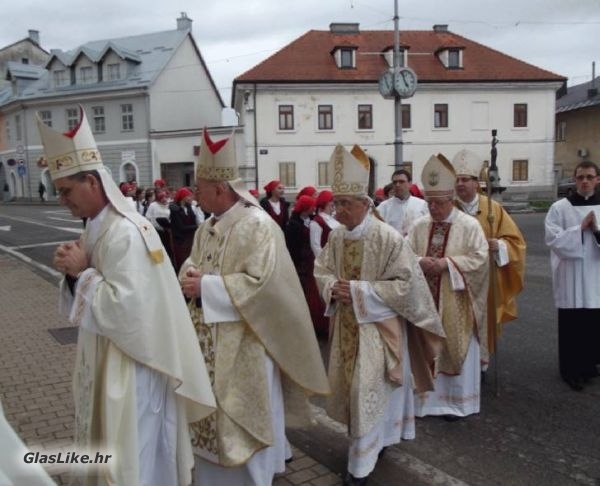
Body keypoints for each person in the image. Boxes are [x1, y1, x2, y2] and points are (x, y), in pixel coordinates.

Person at [37, 106, 215, 485]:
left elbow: (131, 311)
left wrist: (80, 273)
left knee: (134, 461)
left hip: (132, 365)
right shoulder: (97, 228)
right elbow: (92, 298)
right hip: (107, 355)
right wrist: (72, 276)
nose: (62, 200)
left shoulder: (126, 233)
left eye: (67, 191)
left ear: (92, 181)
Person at [180, 129, 330, 485]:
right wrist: (189, 274)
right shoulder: (207, 227)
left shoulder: (259, 226)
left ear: (220, 189)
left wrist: (207, 286)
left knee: (243, 426)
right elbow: (192, 262)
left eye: (199, 187)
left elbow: (264, 287)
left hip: (246, 346)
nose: (195, 194)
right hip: (207, 344)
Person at [314, 144, 445, 485]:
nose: (338, 210)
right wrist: (331, 288)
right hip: (346, 329)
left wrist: (357, 291)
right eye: (336, 203)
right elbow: (322, 269)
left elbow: (407, 285)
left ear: (364, 203)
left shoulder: (386, 237)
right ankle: (377, 444)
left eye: (345, 203)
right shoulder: (337, 237)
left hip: (377, 331)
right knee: (357, 397)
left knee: (366, 395)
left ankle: (360, 467)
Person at [408, 154, 489, 421]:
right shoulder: (419, 226)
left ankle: (455, 404)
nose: (433, 208)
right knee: (424, 348)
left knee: (453, 348)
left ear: (451, 199)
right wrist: (420, 262)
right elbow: (403, 255)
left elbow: (480, 258)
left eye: (439, 203)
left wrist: (447, 263)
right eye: (430, 203)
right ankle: (425, 403)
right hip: (425, 302)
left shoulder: (469, 225)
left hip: (455, 302)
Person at [452, 149, 526, 355]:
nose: (460, 184)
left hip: (485, 276)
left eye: (465, 179)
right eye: (457, 180)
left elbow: (516, 242)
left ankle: (482, 362)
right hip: (457, 274)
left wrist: (500, 246)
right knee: (458, 318)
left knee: (483, 318)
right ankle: (460, 359)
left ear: (476, 183)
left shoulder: (493, 209)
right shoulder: (449, 209)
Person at [545, 160, 600, 391]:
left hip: (595, 275)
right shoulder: (560, 207)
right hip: (570, 275)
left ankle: (589, 365)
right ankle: (570, 370)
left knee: (593, 322)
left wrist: (596, 231)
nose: (585, 181)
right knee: (572, 324)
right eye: (580, 177)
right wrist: (580, 229)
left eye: (589, 176)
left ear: (598, 180)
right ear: (574, 180)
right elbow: (553, 239)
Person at [377, 169, 428, 237]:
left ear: (410, 184)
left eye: (401, 182)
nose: (398, 185)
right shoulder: (384, 207)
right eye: (395, 182)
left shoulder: (422, 205)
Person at [169, 187, 198, 272]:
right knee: (181, 261)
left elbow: (193, 219)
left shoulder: (189, 207)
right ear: (183, 197)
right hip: (180, 239)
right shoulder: (175, 209)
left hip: (190, 237)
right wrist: (197, 226)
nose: (191, 198)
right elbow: (181, 227)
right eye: (188, 196)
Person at [309, 189, 340, 258]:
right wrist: (322, 262)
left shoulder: (334, 219)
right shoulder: (317, 221)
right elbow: (315, 245)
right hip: (327, 258)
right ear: (325, 202)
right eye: (331, 201)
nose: (334, 203)